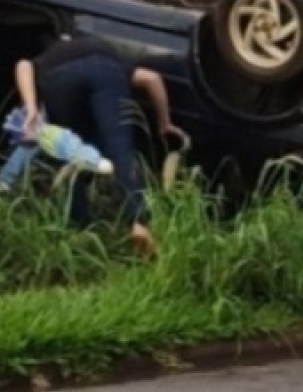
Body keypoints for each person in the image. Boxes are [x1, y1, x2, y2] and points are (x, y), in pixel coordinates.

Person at [14, 32, 185, 254]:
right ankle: (139, 223)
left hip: (59, 79)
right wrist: (165, 123)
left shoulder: (52, 54)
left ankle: (78, 227)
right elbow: (152, 79)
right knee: (121, 149)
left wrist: (31, 107)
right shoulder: (106, 51)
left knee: (72, 152)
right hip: (107, 72)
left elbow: (24, 64)